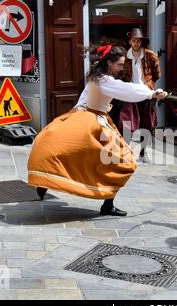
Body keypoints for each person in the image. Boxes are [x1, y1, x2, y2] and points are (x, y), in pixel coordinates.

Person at [28, 46, 168, 217]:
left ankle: (46, 182)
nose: (121, 68)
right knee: (124, 160)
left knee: (74, 153)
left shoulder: (96, 77)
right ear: (108, 62)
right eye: (119, 64)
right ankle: (106, 204)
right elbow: (127, 90)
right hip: (92, 121)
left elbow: (88, 98)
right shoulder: (105, 81)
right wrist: (152, 94)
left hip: (85, 117)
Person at [121, 28, 161, 161]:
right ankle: (127, 153)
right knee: (127, 123)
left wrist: (149, 87)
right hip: (130, 93)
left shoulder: (150, 55)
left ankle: (143, 153)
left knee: (147, 124)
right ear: (130, 42)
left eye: (138, 41)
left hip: (145, 94)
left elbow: (157, 74)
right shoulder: (126, 56)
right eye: (133, 41)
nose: (136, 43)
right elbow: (122, 74)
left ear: (142, 42)